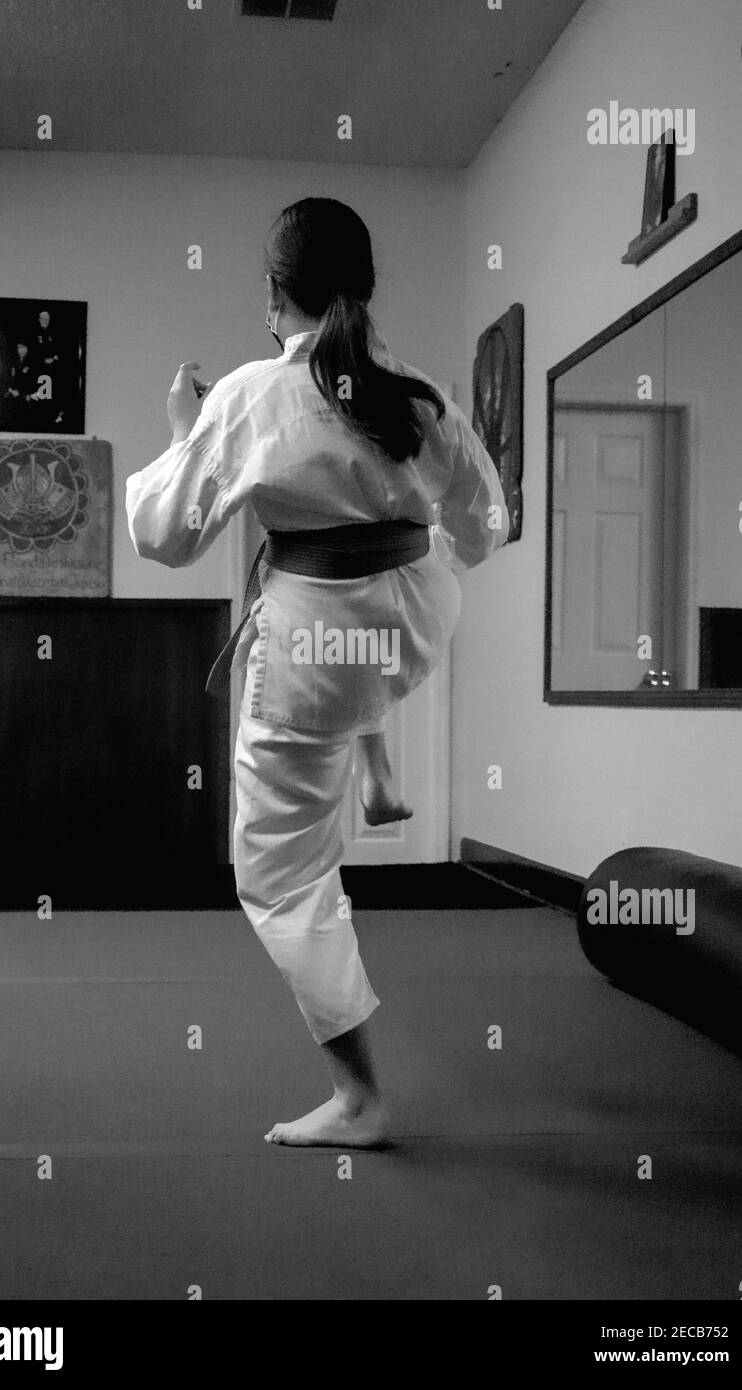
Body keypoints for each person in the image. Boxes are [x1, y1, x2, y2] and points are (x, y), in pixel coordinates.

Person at [125, 198, 508, 1148]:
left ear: (271, 295)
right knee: (353, 642)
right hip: (414, 615)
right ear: (365, 289)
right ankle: (371, 757)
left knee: (281, 877)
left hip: (321, 646)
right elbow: (484, 524)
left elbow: (161, 537)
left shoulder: (248, 394)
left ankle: (359, 1102)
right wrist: (403, 551)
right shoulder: (419, 393)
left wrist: (184, 428)